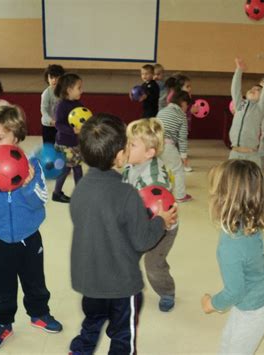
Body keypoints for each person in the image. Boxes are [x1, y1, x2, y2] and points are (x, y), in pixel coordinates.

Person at [69, 113, 178, 354]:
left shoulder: (81, 188)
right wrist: (160, 222)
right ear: (119, 156)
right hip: (120, 284)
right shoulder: (127, 194)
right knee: (122, 335)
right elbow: (142, 240)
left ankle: (79, 350)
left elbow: (85, 221)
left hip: (89, 279)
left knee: (92, 322)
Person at [0, 105, 63, 352]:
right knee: (2, 285)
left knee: (35, 281)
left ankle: (39, 313)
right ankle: (2, 322)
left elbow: (40, 199)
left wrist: (28, 184)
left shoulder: (32, 166)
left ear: (16, 136)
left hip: (29, 237)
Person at [201, 159, 264, 355]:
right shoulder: (250, 221)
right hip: (257, 297)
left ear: (223, 200)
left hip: (253, 309)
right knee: (228, 343)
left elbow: (234, 291)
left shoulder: (230, 246)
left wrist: (212, 304)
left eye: (215, 192)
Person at [122, 117, 178, 312]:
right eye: (127, 142)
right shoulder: (132, 163)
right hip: (138, 221)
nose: (126, 147)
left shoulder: (156, 180)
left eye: (132, 144)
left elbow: (163, 213)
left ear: (149, 152)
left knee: (153, 264)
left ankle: (167, 292)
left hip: (162, 225)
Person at [229, 58, 264, 169]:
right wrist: (239, 70)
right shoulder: (239, 105)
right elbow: (235, 89)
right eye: (252, 88)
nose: (253, 89)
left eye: (257, 90)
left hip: (250, 155)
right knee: (232, 181)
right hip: (234, 153)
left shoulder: (260, 108)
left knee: (252, 183)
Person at [53, 73, 84, 203]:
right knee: (70, 169)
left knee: (73, 168)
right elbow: (58, 124)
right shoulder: (61, 105)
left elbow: (82, 117)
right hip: (65, 144)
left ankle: (75, 193)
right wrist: (72, 130)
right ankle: (59, 193)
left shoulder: (77, 102)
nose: (82, 90)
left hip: (74, 143)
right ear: (69, 90)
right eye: (79, 87)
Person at [156, 90, 193, 203]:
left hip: (155, 144)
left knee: (161, 169)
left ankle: (160, 193)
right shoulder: (181, 116)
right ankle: (180, 195)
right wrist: (184, 156)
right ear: (182, 103)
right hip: (168, 145)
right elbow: (182, 138)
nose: (187, 108)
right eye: (187, 105)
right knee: (178, 170)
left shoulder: (162, 111)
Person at [41, 64, 65, 144]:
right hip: (48, 126)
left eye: (57, 77)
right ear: (47, 79)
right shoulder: (46, 93)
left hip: (60, 125)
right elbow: (43, 110)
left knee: (61, 145)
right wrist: (51, 121)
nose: (54, 80)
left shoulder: (64, 92)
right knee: (49, 146)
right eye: (51, 78)